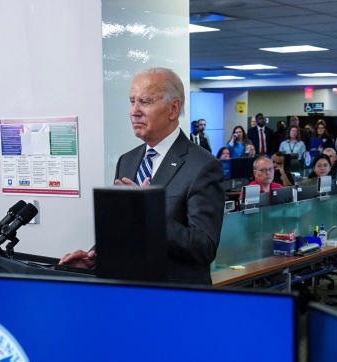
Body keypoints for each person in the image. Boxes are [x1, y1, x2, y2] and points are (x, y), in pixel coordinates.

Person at [59, 67, 223, 286]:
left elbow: (204, 247)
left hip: (175, 299)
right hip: (129, 293)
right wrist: (94, 258)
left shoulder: (203, 166)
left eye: (145, 101)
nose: (134, 111)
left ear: (173, 109)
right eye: (132, 101)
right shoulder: (127, 161)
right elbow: (121, 228)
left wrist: (149, 212)